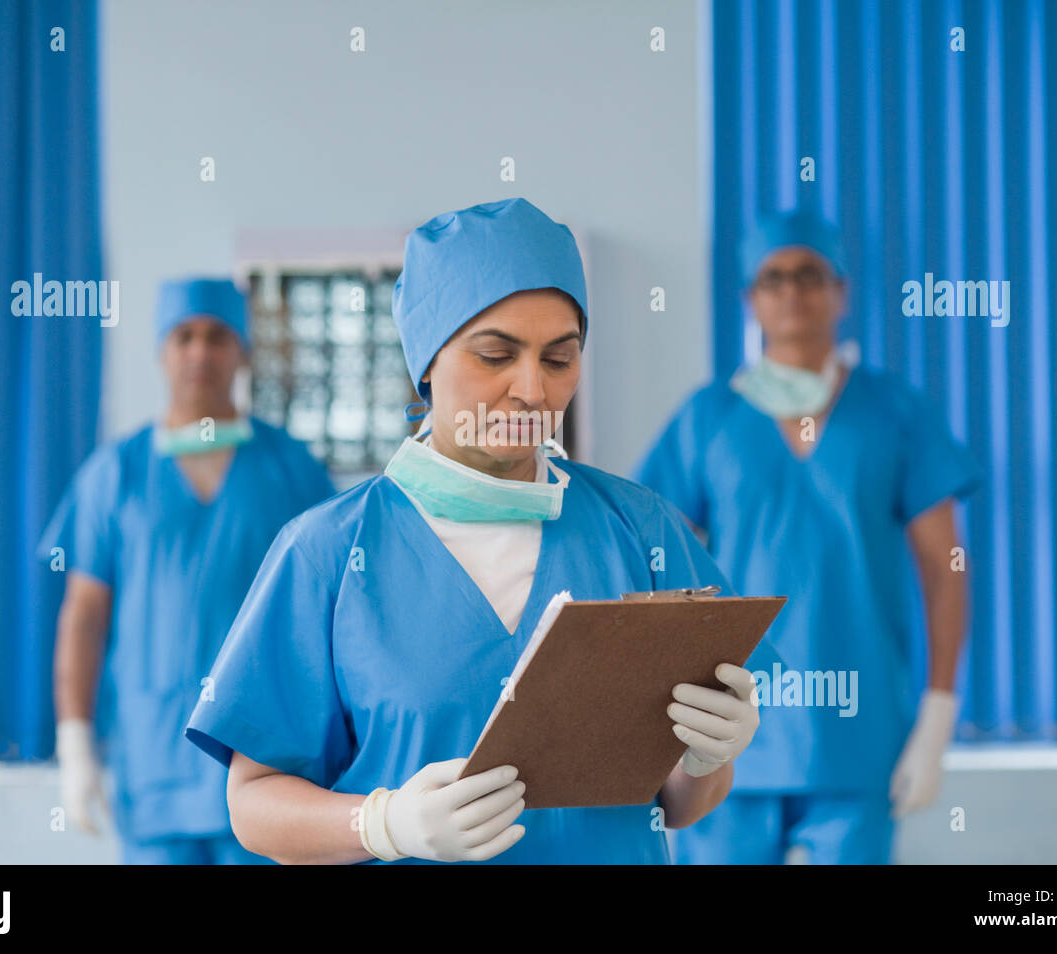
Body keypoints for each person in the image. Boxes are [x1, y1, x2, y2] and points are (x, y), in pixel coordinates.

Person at [184, 197, 783, 865]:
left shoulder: (638, 528)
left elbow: (678, 806)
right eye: (496, 354)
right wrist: (382, 824)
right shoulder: (327, 551)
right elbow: (253, 803)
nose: (531, 389)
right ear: (427, 361)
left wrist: (707, 757)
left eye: (559, 359)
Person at [632, 209, 982, 864]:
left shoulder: (895, 413)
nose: (792, 290)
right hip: (731, 727)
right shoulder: (708, 418)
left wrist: (938, 713)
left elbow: (945, 569)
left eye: (810, 274)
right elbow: (660, 566)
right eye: (773, 277)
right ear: (751, 299)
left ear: (840, 292)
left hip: (860, 726)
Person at [38, 277, 338, 865]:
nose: (200, 351)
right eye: (184, 336)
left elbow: (331, 609)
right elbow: (84, 619)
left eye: (218, 336)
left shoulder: (290, 469)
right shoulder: (115, 474)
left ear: (243, 352)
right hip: (153, 765)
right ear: (162, 351)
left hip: (263, 760)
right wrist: (74, 742)